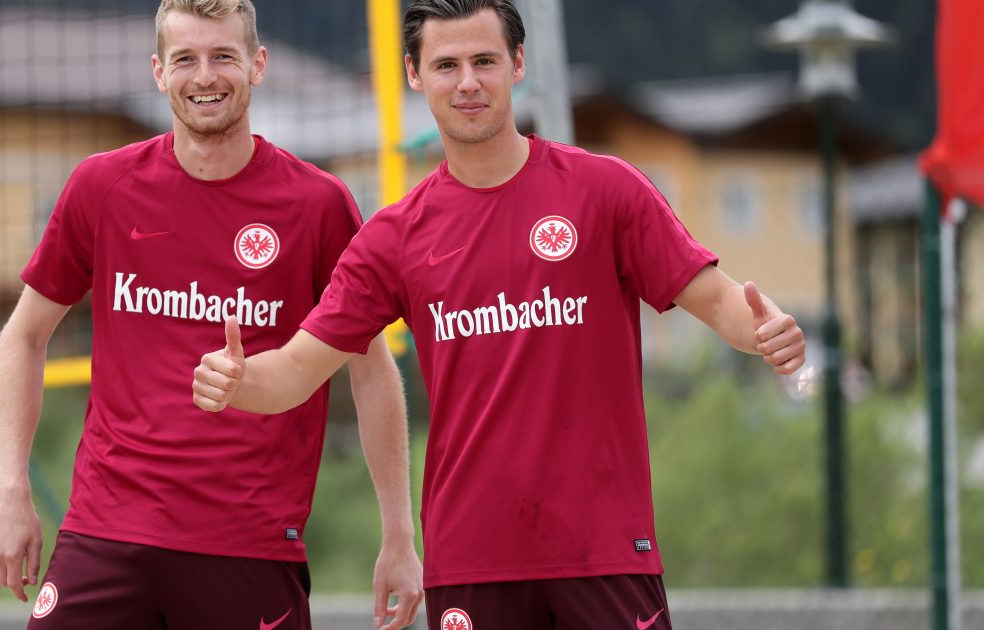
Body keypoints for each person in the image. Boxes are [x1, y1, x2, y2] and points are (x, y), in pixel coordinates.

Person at [192, 0, 807, 628]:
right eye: (446, 65)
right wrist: (239, 383)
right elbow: (297, 369)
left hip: (605, 555)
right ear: (414, 73)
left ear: (517, 63)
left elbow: (717, 296)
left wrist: (764, 332)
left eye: (484, 61)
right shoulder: (393, 238)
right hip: (472, 565)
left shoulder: (605, 191)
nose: (467, 82)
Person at [0, 1, 423, 628]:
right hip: (108, 529)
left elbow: (371, 369)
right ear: (159, 72)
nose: (204, 76)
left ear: (258, 65)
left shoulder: (316, 204)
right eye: (185, 58)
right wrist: (9, 489)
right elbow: (22, 336)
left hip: (247, 540)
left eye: (223, 57)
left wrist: (399, 537)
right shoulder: (102, 187)